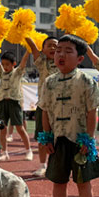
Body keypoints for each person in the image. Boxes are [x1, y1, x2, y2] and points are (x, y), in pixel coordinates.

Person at [36, 35, 99, 197]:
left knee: (83, 183)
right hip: (58, 140)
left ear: (80, 59)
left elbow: (92, 112)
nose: (61, 54)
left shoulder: (86, 81)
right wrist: (47, 137)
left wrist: (88, 140)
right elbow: (45, 111)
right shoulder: (49, 82)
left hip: (79, 139)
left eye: (68, 51)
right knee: (58, 181)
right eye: (58, 51)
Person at [27, 36, 58, 176]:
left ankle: (57, 165)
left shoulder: (63, 62)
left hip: (61, 106)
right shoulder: (42, 63)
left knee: (59, 137)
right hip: (44, 106)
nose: (53, 48)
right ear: (43, 50)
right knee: (43, 137)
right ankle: (42, 165)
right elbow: (33, 48)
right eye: (49, 45)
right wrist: (26, 34)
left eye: (55, 45)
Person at [0, 50, 34, 162]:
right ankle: (4, 152)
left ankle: (28, 150)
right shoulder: (1, 73)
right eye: (3, 64)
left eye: (8, 64)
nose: (5, 67)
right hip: (1, 102)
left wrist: (27, 51)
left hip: (14, 102)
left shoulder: (17, 72)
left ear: (14, 64)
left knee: (20, 128)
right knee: (1, 128)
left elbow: (23, 62)